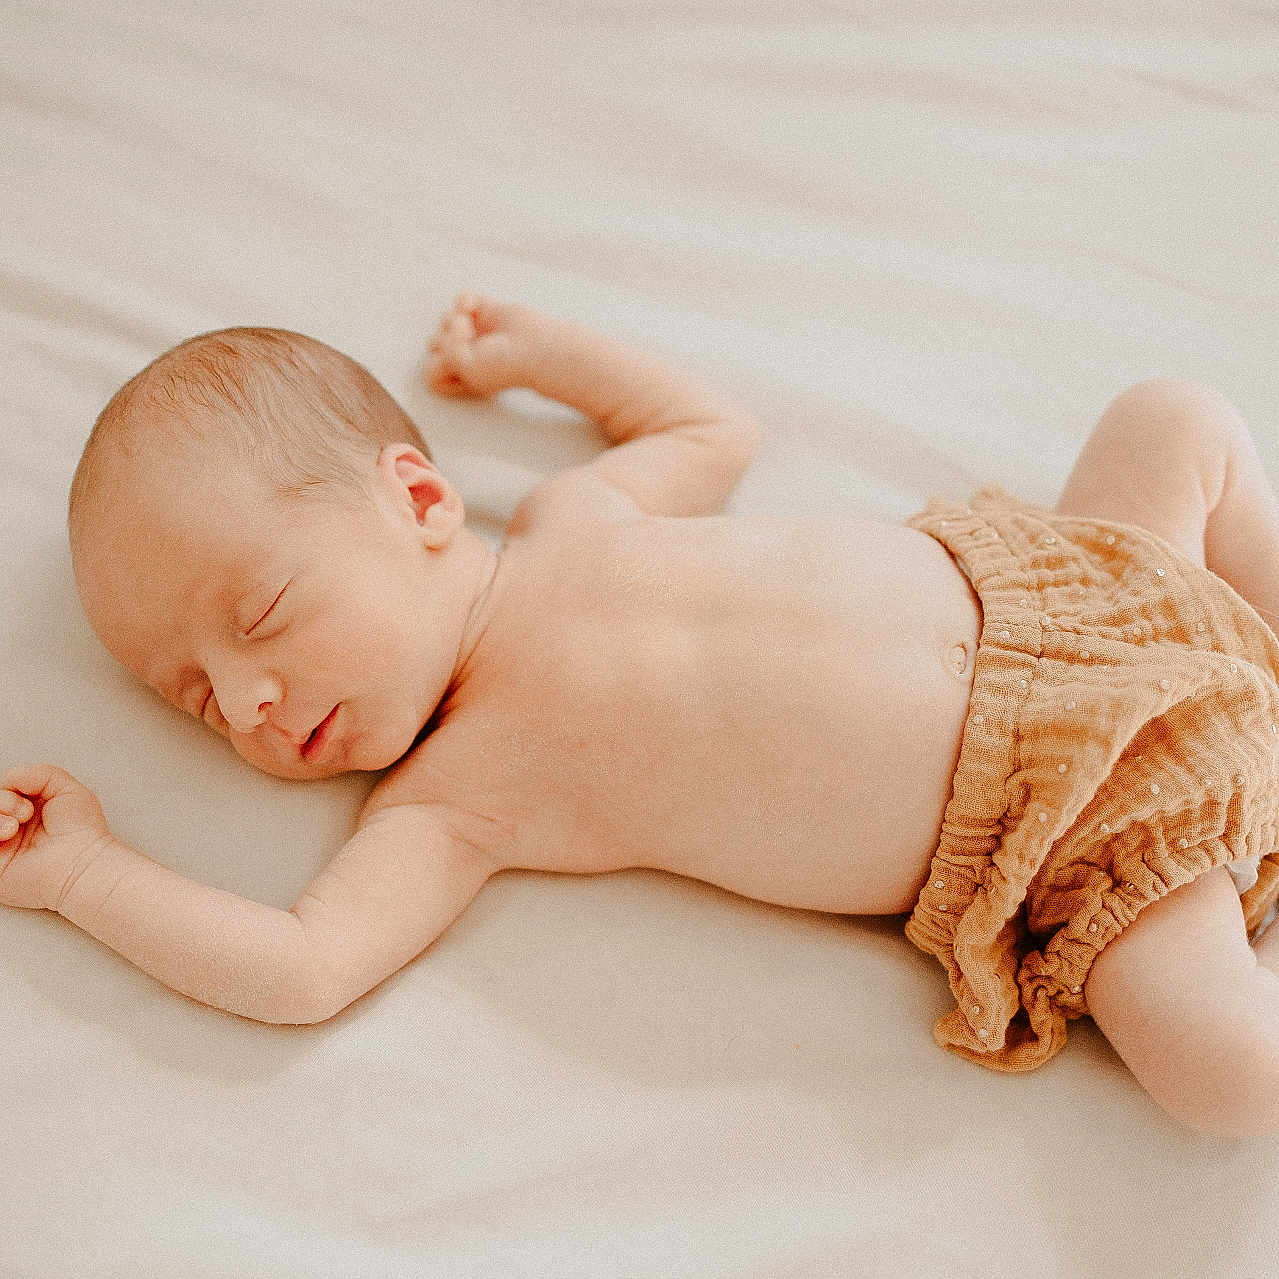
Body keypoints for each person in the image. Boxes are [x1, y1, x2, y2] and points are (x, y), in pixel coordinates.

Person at [4, 295, 1279, 1137]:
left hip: (1078, 590)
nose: (244, 702)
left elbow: (705, 426)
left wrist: (539, 357)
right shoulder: (453, 800)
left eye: (264, 611)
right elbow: (301, 967)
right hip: (1069, 814)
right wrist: (84, 875)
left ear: (420, 499)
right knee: (1228, 1075)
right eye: (193, 697)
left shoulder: (576, 515)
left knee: (1170, 417)